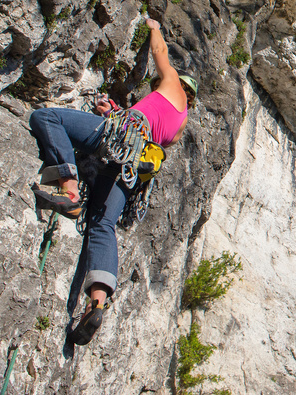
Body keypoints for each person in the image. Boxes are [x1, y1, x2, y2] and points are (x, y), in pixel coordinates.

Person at [28, 18, 197, 345]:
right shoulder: (179, 126)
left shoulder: (173, 82)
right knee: (102, 225)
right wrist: (114, 111)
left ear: (182, 87)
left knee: (47, 117)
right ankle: (97, 302)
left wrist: (155, 27)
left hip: (120, 138)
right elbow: (148, 132)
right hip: (133, 167)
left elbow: (160, 53)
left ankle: (69, 190)